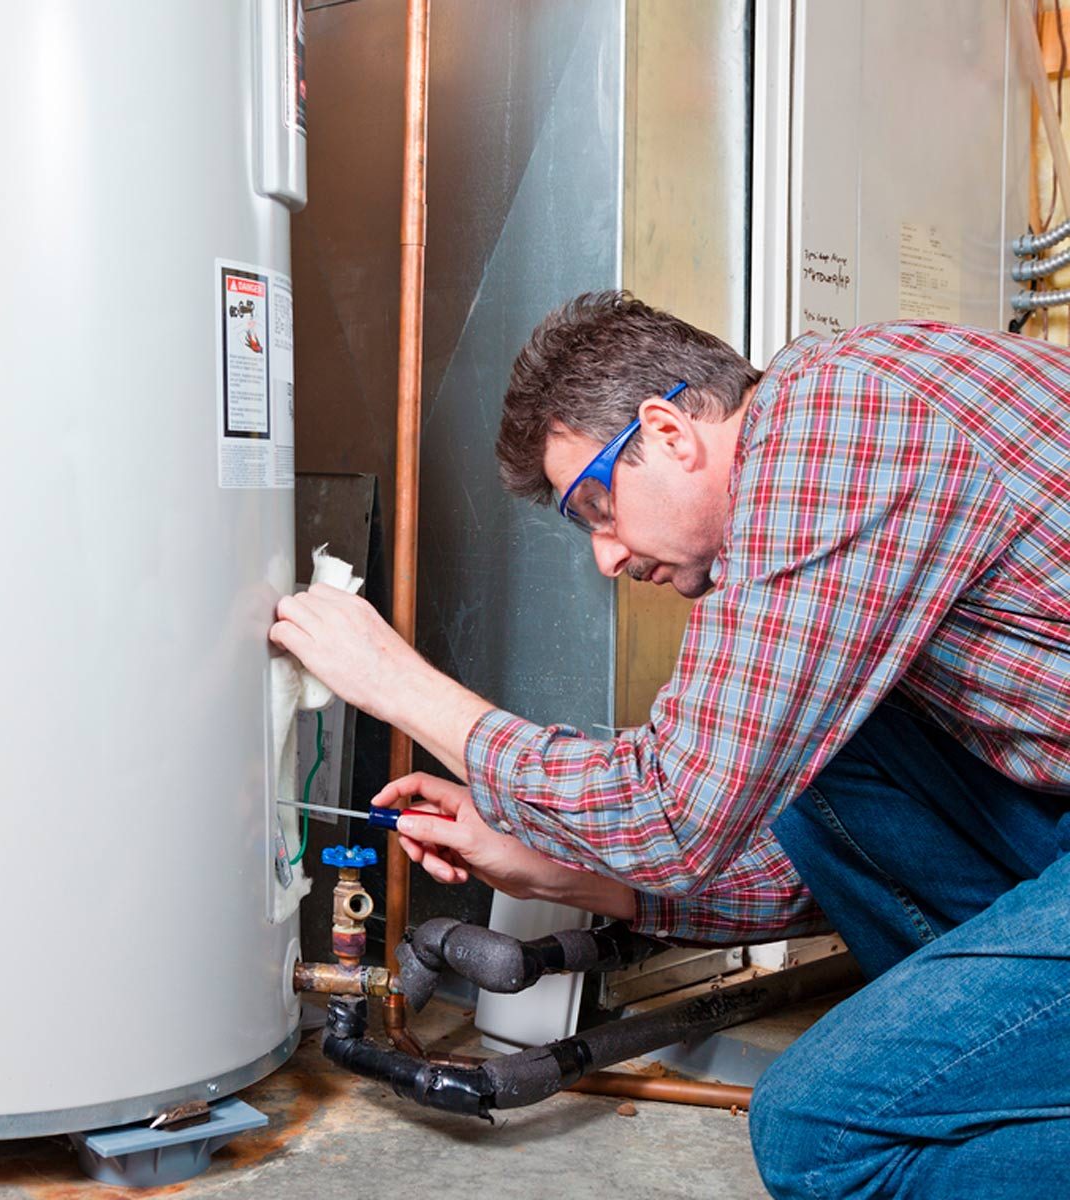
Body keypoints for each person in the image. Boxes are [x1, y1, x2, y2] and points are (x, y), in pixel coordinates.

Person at [270, 291, 1070, 1198]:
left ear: (669, 431)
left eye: (595, 509)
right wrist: (577, 878)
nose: (606, 557)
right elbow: (803, 848)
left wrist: (397, 685)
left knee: (825, 1135)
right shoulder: (840, 417)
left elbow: (674, 811)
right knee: (819, 761)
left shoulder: (840, 428)